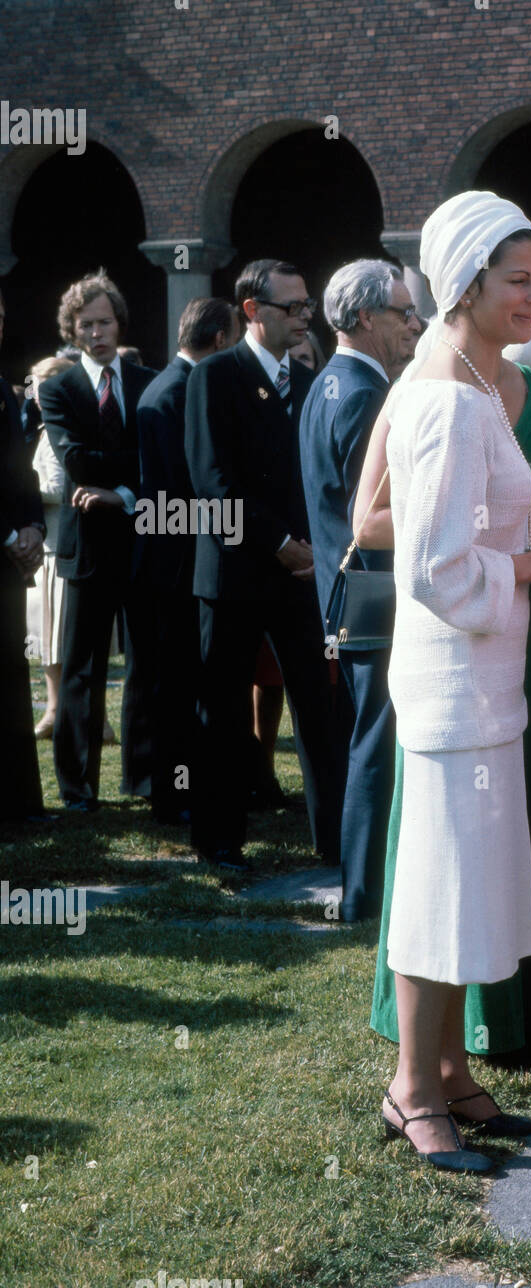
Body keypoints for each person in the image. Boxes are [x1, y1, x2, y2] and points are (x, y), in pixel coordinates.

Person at [369, 192, 531, 1166]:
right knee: (436, 892)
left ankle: (454, 1074)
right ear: (465, 282)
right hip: (455, 693)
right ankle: (412, 1089)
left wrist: (515, 520)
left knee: (471, 891)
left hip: (483, 689)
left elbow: (457, 530)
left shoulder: (468, 380)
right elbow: (427, 568)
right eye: (518, 282)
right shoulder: (451, 397)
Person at [184, 259, 339, 870]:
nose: (304, 317)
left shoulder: (309, 384)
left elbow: (319, 482)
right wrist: (279, 542)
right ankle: (219, 840)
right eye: (292, 307)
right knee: (223, 710)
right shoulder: (215, 377)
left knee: (318, 707)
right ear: (252, 310)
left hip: (301, 576)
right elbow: (211, 482)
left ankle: (334, 838)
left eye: (307, 306)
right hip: (235, 573)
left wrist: (314, 550)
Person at [299, 259, 420, 921]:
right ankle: (365, 896)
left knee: (369, 736)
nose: (412, 322)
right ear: (368, 317)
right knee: (377, 740)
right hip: (375, 595)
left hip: (346, 594)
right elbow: (370, 519)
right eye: (401, 311)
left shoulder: (327, 384)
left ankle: (362, 886)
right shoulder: (371, 394)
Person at [39, 270, 157, 811]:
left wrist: (124, 491)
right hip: (85, 549)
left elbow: (160, 461)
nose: (96, 333)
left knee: (145, 664)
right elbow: (76, 461)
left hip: (140, 540)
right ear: (73, 329)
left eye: (104, 322)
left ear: (119, 323)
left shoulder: (146, 382)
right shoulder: (57, 388)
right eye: (85, 324)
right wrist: (129, 468)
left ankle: (144, 777)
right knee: (81, 667)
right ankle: (77, 787)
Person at [133, 297, 238, 825]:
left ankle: (179, 789)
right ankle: (174, 794)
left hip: (171, 549)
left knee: (178, 681)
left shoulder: (167, 385)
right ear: (220, 338)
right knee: (177, 683)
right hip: (177, 557)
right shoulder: (178, 391)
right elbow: (185, 486)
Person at [1, 287, 47, 822]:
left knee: (13, 675)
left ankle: (20, 803)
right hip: (5, 548)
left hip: (11, 557)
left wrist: (33, 524)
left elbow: (20, 469)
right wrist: (10, 536)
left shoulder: (1, 389)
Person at [25, 355, 77, 737]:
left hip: (58, 546)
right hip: (50, 547)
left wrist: (25, 492)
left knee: (57, 639)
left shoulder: (60, 428)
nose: (36, 394)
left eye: (43, 385)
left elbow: (61, 489)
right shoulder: (48, 427)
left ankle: (59, 710)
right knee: (48, 639)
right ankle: (61, 710)